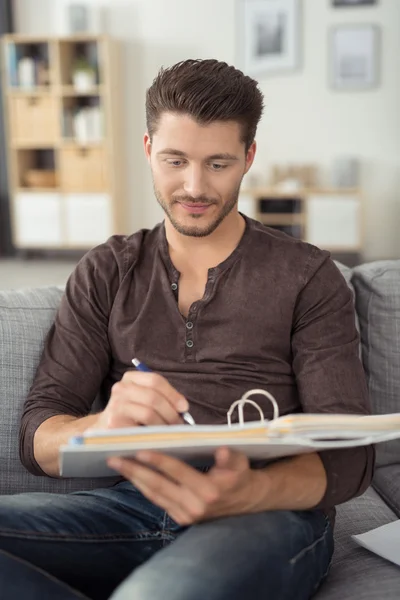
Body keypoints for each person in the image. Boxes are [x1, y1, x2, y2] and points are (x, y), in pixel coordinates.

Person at [0, 59, 373, 600]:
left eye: (217, 163)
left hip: (267, 516)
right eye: (175, 160)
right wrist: (101, 425)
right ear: (149, 149)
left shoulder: (307, 276)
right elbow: (38, 435)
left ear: (248, 157)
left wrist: (252, 490)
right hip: (128, 507)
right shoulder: (106, 271)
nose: (194, 186)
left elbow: (351, 454)